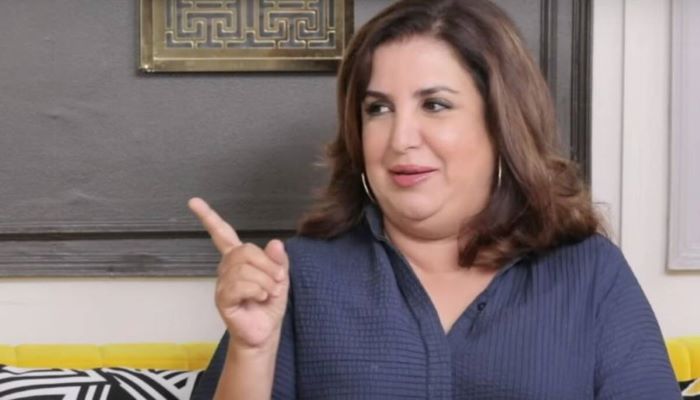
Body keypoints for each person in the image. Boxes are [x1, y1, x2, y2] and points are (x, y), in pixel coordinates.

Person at [189, 0, 681, 398]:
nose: (400, 138)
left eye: (435, 104)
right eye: (378, 109)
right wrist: (252, 353)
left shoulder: (590, 273)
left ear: (501, 124)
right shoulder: (298, 275)